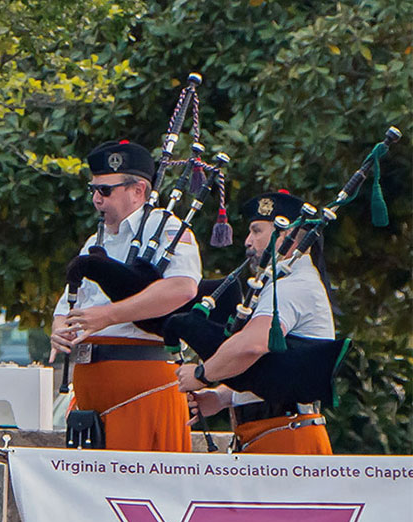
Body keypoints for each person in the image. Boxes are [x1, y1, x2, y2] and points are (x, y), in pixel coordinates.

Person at [49, 140, 202, 451]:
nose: (96, 199)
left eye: (106, 191)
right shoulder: (96, 239)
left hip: (142, 383)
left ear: (138, 191)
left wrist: (108, 315)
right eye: (93, 189)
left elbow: (182, 287)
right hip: (91, 388)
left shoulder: (165, 228)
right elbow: (70, 299)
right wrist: (59, 328)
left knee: (141, 489)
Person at [176, 191, 334, 454]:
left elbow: (253, 345)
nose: (248, 241)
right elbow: (268, 371)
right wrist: (220, 397)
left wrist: (203, 375)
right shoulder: (281, 285)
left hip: (286, 437)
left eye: (257, 231)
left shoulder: (293, 287)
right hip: (271, 433)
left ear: (291, 237)